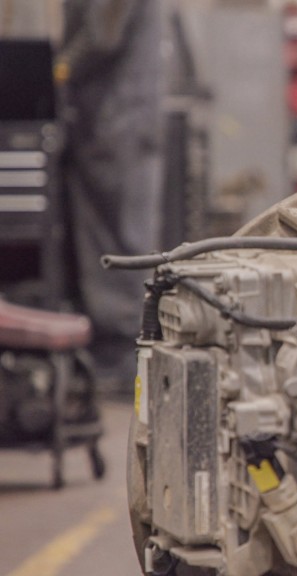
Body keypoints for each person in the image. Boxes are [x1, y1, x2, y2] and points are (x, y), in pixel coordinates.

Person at [59, 0, 164, 394]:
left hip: (113, 122)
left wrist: (58, 68)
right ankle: (122, 355)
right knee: (124, 235)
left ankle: (119, 359)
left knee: (116, 240)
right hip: (122, 120)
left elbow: (103, 34)